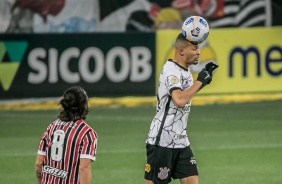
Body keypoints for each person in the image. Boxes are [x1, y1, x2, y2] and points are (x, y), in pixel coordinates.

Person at [144, 32, 218, 184]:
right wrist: (201, 82)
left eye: (199, 48)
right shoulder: (171, 70)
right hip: (162, 140)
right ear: (181, 51)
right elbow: (179, 100)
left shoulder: (186, 71)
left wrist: (202, 80)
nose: (198, 52)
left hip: (181, 140)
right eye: (194, 48)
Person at [35, 86, 98, 184]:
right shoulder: (87, 133)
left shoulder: (51, 127)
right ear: (84, 105)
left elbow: (39, 163)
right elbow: (84, 167)